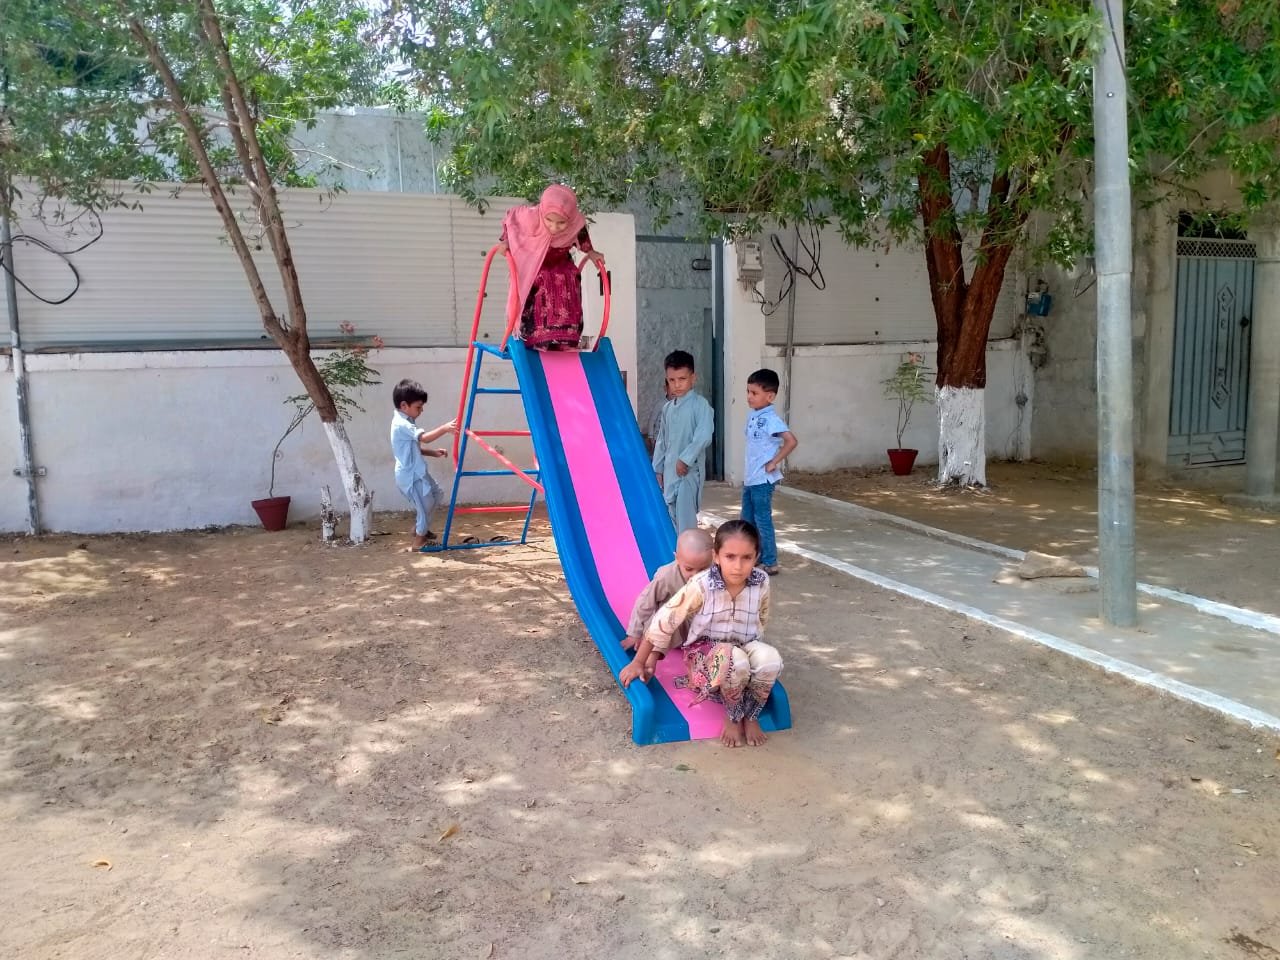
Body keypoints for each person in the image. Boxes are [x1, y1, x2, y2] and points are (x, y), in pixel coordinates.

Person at [619, 520, 783, 748]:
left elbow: (761, 616)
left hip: (742, 646)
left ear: (756, 557)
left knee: (770, 658)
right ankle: (734, 715)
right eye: (730, 557)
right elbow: (663, 621)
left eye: (747, 557)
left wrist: (755, 652)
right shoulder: (702, 584)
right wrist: (640, 660)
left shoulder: (760, 581)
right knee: (733, 659)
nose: (738, 566)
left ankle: (751, 714)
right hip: (707, 656)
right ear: (717, 556)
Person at [498, 184, 605, 350]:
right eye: (549, 220)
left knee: (570, 277)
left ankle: (566, 337)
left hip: (561, 263)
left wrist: (591, 252)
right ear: (542, 212)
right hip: (536, 265)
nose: (554, 228)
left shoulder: (575, 224)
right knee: (543, 279)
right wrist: (506, 242)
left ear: (570, 218)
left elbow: (582, 237)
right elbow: (512, 222)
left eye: (561, 223)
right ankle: (536, 336)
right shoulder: (530, 217)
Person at [621, 528, 715, 680]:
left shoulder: (715, 574)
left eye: (703, 569)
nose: (695, 575)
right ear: (677, 558)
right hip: (668, 629)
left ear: (713, 558)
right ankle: (650, 660)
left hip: (697, 632)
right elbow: (645, 603)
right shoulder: (666, 576)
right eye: (689, 569)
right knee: (670, 613)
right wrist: (634, 634)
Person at [741, 368, 799, 576]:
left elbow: (791, 441)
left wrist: (774, 461)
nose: (749, 396)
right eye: (748, 392)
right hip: (750, 478)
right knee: (747, 520)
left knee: (762, 519)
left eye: (754, 393)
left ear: (770, 396)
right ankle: (753, 556)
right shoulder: (752, 416)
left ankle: (770, 561)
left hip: (762, 480)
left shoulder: (771, 419)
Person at [652, 350, 714, 533]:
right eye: (672, 380)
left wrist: (685, 459)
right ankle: (676, 551)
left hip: (688, 473)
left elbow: (704, 435)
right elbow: (662, 441)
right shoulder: (667, 408)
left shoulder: (700, 405)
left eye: (682, 379)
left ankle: (689, 552)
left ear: (693, 378)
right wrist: (658, 469)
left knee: (686, 522)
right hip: (670, 473)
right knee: (670, 518)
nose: (677, 385)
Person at [390, 379, 456, 551]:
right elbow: (424, 438)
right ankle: (419, 541)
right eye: (418, 407)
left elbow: (415, 448)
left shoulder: (407, 421)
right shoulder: (402, 424)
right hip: (410, 476)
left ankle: (420, 529)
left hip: (417, 472)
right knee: (425, 504)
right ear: (404, 405)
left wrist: (433, 453)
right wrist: (444, 428)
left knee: (437, 494)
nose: (421, 410)